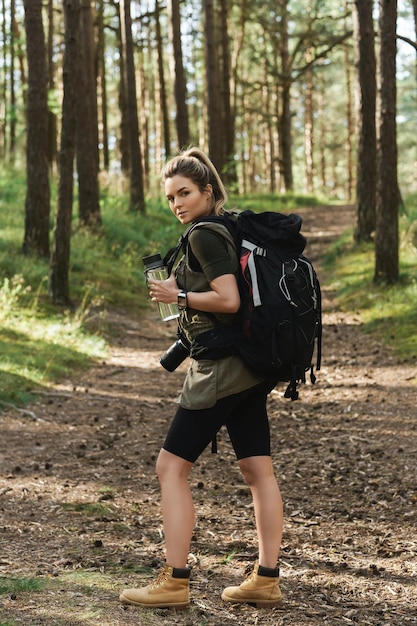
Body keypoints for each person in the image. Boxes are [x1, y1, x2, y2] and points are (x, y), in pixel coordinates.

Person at [119, 147, 283, 610]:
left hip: (222, 370)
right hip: (250, 367)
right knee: (257, 470)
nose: (177, 204)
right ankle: (266, 579)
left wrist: (180, 295)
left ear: (207, 192)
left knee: (170, 468)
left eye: (185, 193)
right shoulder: (228, 227)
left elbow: (228, 300)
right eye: (170, 197)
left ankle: (175, 581)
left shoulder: (205, 235)